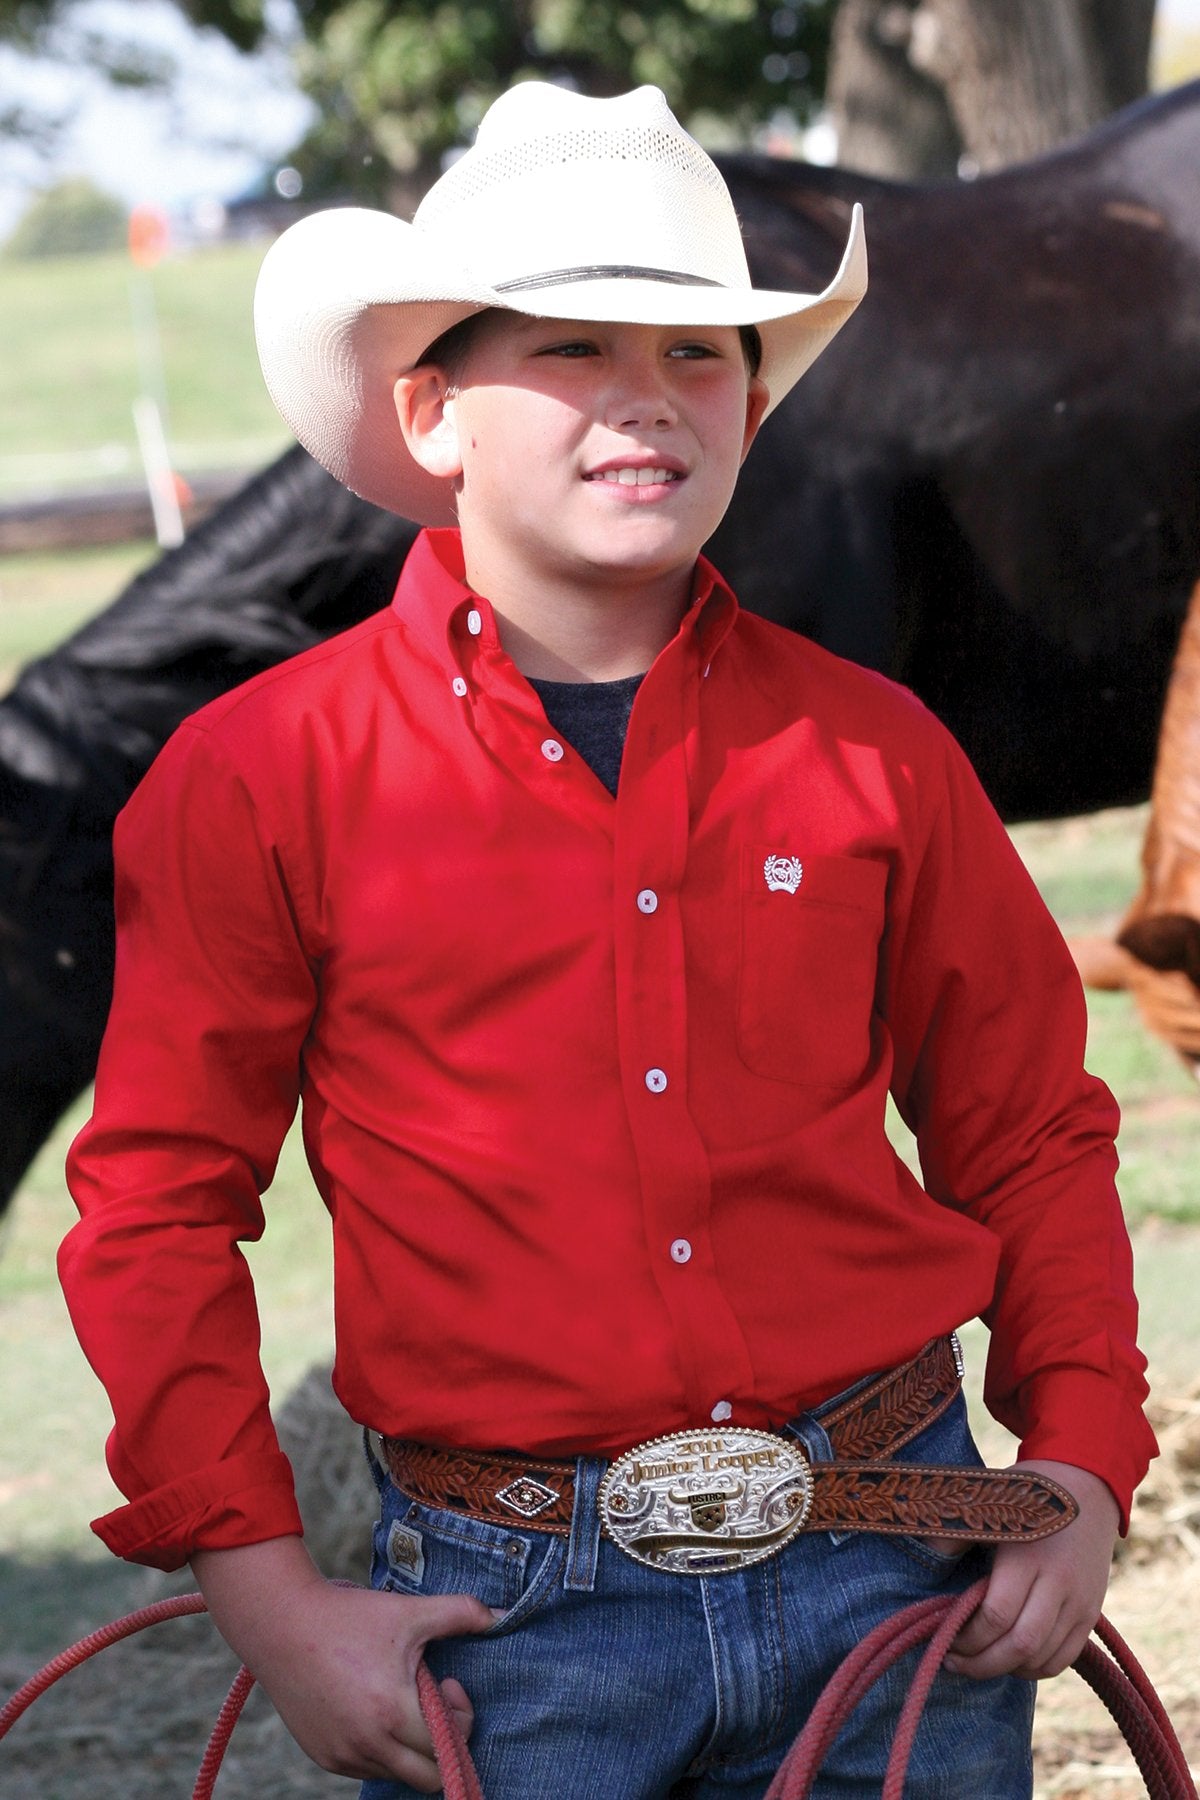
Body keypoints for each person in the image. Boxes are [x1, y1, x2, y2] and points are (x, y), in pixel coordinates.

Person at [60, 82, 1155, 1799]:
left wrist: (1082, 1455)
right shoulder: (258, 779)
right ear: (430, 412)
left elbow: (1026, 1129)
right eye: (571, 349)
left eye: (699, 356)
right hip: (513, 1625)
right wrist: (266, 1591)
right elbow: (158, 1204)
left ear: (755, 403)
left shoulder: (879, 755)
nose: (646, 400)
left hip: (893, 1564)